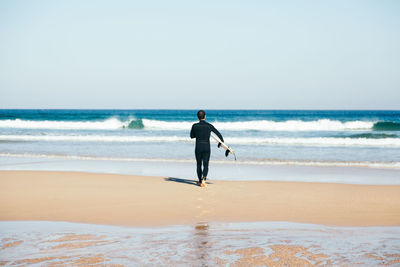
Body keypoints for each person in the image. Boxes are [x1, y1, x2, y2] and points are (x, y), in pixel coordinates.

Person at [190, 110, 224, 187]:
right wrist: (221, 142)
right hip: (206, 147)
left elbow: (192, 136)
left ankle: (199, 181)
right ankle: (204, 179)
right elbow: (219, 134)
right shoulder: (209, 126)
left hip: (198, 147)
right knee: (206, 164)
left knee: (199, 164)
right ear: (205, 116)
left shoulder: (194, 126)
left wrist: (198, 134)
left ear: (197, 117)